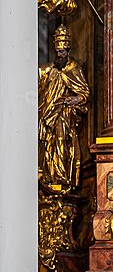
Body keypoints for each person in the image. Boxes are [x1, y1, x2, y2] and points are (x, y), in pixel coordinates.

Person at [38, 25, 90, 191]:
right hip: (48, 112)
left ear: (68, 51)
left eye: (62, 52)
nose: (59, 55)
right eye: (57, 52)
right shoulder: (50, 70)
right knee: (48, 143)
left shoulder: (74, 69)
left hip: (63, 113)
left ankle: (62, 175)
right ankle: (50, 174)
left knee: (62, 141)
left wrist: (72, 99)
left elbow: (84, 93)